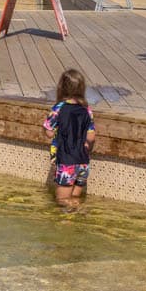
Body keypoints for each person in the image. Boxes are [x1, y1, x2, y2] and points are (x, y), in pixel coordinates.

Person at [43, 69, 97, 210]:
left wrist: (52, 130)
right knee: (73, 199)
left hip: (66, 161)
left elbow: (49, 133)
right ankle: (74, 218)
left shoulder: (58, 108)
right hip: (83, 162)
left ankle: (76, 216)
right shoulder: (87, 110)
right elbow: (91, 137)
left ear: (61, 87)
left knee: (62, 200)